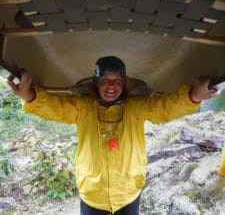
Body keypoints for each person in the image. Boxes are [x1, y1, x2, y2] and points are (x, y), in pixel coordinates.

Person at [7, 56, 221, 215]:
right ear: (96, 83)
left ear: (124, 83)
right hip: (93, 195)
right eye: (105, 80)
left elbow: (166, 107)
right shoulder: (82, 107)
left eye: (117, 80)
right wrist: (28, 95)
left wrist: (194, 96)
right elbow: (54, 106)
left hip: (128, 194)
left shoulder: (137, 106)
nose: (111, 86)